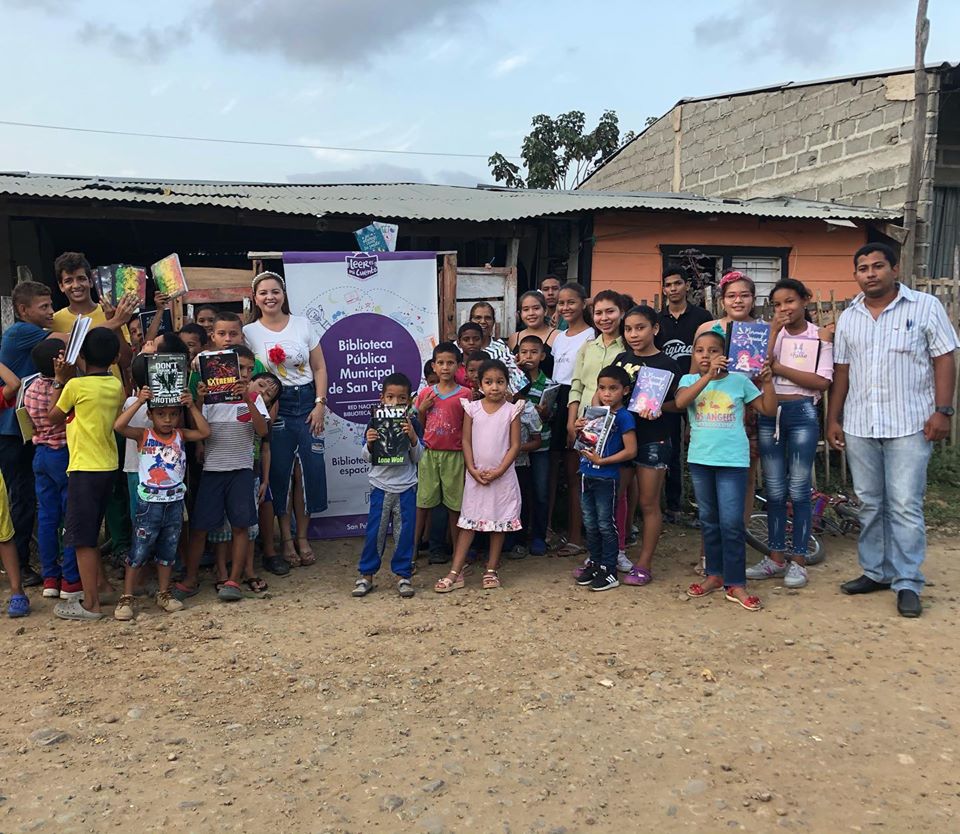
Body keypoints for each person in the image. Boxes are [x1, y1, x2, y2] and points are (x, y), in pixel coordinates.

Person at [827, 243, 958, 618]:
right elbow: (842, 372)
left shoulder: (925, 307)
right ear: (856, 275)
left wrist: (943, 411)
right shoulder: (850, 316)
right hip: (860, 423)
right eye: (863, 268)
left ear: (894, 269)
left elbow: (944, 359)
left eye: (877, 266)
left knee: (904, 503)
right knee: (869, 502)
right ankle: (876, 571)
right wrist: (833, 418)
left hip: (910, 424)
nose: (870, 273)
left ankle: (907, 581)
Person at [678, 332, 777, 611]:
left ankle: (736, 583)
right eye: (699, 351)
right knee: (709, 520)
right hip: (701, 459)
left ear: (725, 354)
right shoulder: (689, 382)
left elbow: (768, 409)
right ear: (693, 355)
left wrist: (768, 383)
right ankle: (714, 575)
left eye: (712, 350)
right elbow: (683, 402)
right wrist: (707, 377)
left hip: (733, 461)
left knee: (732, 523)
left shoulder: (740, 382)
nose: (705, 355)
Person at [747, 278, 834, 590]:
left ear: (805, 300)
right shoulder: (771, 333)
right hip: (770, 414)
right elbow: (758, 367)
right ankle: (774, 557)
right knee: (773, 490)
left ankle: (798, 560)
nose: (784, 309)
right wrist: (772, 330)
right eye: (778, 304)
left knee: (798, 490)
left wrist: (780, 369)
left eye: (790, 301)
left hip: (802, 413)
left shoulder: (819, 337)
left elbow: (821, 381)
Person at [243, 272, 328, 567]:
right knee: (279, 473)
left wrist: (319, 404)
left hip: (307, 402)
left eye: (275, 291)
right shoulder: (249, 332)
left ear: (283, 294)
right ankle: (286, 539)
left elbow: (318, 368)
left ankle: (303, 537)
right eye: (263, 292)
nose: (270, 297)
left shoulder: (303, 324)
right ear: (255, 298)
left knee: (306, 472)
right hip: (273, 404)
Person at [178, 349, 270, 603]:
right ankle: (190, 578)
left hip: (241, 471)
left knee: (241, 526)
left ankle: (234, 579)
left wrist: (248, 401)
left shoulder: (254, 398)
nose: (245, 373)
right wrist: (198, 401)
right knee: (199, 528)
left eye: (250, 369)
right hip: (213, 471)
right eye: (240, 367)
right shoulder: (212, 399)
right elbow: (200, 429)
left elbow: (262, 430)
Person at [48, 327, 126, 620]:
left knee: (82, 538)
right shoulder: (115, 385)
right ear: (116, 357)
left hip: (83, 468)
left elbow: (52, 417)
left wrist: (59, 380)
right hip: (107, 464)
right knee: (92, 530)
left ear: (80, 355)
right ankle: (102, 586)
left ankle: (90, 603)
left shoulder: (75, 387)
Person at [113, 386, 210, 620]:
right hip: (149, 504)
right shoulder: (143, 435)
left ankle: (164, 593)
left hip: (174, 502)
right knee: (139, 550)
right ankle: (127, 596)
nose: (167, 419)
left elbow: (205, 431)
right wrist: (139, 402)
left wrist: (191, 405)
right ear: (150, 415)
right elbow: (118, 426)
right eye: (161, 414)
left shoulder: (181, 435)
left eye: (173, 414)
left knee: (168, 550)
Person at [0, 281, 66, 587]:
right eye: (44, 307)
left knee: (32, 496)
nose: (51, 312)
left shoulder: (25, 333)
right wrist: (112, 323)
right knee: (21, 497)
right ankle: (20, 563)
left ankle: (29, 560)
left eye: (51, 305)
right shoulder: (19, 332)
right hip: (11, 432)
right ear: (23, 310)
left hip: (27, 432)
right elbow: (66, 340)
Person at [435, 359, 522, 593]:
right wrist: (472, 469)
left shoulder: (512, 411)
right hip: (476, 477)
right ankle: (456, 572)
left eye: (500, 382)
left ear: (507, 384)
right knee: (467, 524)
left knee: (498, 524)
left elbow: (515, 445)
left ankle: (491, 569)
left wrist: (499, 471)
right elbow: (465, 440)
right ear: (480, 384)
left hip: (502, 478)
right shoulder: (472, 408)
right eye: (489, 382)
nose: (495, 387)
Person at [610, 305, 682, 586]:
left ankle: (644, 563)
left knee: (648, 503)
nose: (633, 334)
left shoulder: (668, 364)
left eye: (640, 328)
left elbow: (681, 402)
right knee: (614, 497)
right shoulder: (620, 359)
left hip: (654, 438)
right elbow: (606, 392)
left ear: (655, 328)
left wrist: (660, 407)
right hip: (620, 437)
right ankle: (612, 554)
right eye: (628, 329)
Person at [696, 271, 763, 530]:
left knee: (745, 477)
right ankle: (708, 549)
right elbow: (694, 375)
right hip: (713, 410)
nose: (738, 301)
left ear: (753, 299)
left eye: (744, 295)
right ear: (722, 300)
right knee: (709, 478)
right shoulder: (707, 330)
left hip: (750, 410)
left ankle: (739, 536)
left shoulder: (762, 331)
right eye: (731, 296)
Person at [565, 289, 629, 556]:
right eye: (599, 312)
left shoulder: (628, 347)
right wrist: (572, 420)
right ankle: (591, 546)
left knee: (618, 489)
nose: (604, 318)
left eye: (610, 311)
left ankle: (619, 548)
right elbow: (577, 385)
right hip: (588, 425)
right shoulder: (588, 347)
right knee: (587, 483)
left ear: (621, 313)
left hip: (617, 426)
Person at [353, 372, 423, 599]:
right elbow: (365, 455)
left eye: (402, 398)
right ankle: (366, 575)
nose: (395, 402)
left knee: (404, 533)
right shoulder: (374, 421)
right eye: (390, 397)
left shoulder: (412, 423)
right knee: (376, 532)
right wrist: (371, 444)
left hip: (406, 487)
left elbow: (419, 456)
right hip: (380, 487)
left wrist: (412, 437)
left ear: (409, 401)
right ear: (381, 398)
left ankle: (403, 575)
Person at [25, 339, 82, 601]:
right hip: (64, 454)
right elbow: (60, 415)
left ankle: (50, 576)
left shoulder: (31, 386)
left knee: (48, 518)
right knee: (71, 516)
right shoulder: (64, 388)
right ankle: (70, 579)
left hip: (41, 454)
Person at [573, 365, 638, 592]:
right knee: (590, 523)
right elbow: (583, 442)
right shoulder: (594, 414)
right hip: (586, 473)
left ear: (625, 391)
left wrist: (604, 461)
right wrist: (578, 428)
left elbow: (631, 451)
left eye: (613, 388)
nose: (607, 393)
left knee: (605, 523)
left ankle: (609, 570)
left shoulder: (624, 416)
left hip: (607, 476)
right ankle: (595, 563)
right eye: (602, 388)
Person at [655, 266, 712, 518]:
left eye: (678, 283)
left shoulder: (702, 317)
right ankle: (673, 505)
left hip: (698, 390)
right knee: (670, 449)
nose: (673, 288)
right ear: (664, 289)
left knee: (701, 446)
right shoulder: (658, 320)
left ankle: (703, 505)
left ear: (686, 286)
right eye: (668, 285)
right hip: (666, 393)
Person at [547, 282, 595, 555]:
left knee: (575, 471)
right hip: (555, 399)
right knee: (553, 470)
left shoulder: (591, 336)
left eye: (571, 302)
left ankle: (577, 535)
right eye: (561, 303)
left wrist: (573, 414)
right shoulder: (558, 337)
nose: (565, 307)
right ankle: (551, 530)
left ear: (583, 304)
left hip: (576, 401)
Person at [413, 342, 471, 560]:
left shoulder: (466, 394)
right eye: (440, 363)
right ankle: (412, 550)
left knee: (455, 506)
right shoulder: (426, 394)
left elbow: (469, 428)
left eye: (450, 363)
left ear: (458, 366)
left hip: (455, 455)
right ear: (434, 367)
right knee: (423, 503)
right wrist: (421, 410)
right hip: (429, 454)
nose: (445, 367)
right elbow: (420, 427)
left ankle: (458, 554)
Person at [516, 334, 554, 555]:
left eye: (533, 352)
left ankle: (539, 536)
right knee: (518, 492)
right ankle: (518, 538)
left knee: (540, 492)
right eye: (524, 352)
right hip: (516, 445)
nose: (528, 356)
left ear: (542, 356)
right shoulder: (512, 379)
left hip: (541, 446)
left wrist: (545, 412)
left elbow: (551, 415)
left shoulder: (549, 384)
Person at [507, 291, 556, 376]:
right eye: (526, 309)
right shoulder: (514, 338)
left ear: (545, 310)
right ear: (520, 313)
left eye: (536, 308)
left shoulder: (557, 336)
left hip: (550, 388)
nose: (531, 313)